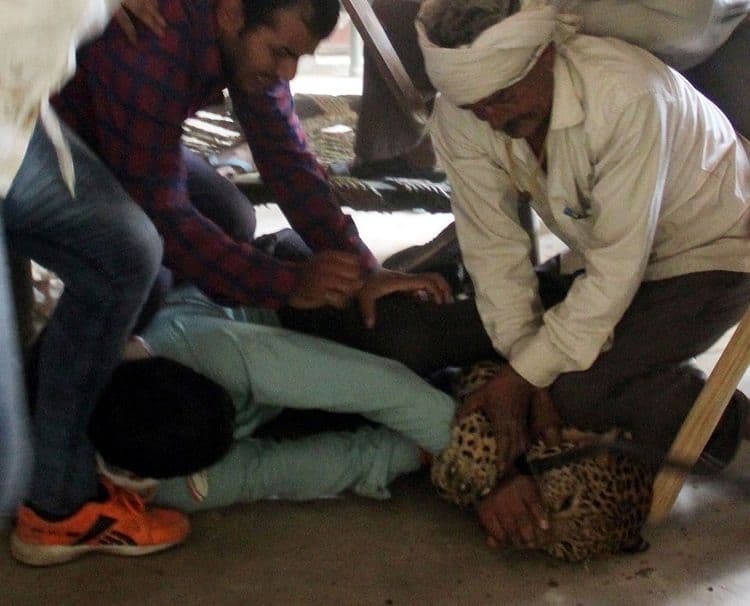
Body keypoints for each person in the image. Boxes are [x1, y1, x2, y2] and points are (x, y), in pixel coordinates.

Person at [417, 1, 750, 550]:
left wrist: (526, 376)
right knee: (552, 376)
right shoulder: (461, 116)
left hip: (712, 256)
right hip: (611, 259)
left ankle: (731, 428)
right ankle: (640, 385)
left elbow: (617, 270)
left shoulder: (626, 94)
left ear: (547, 54)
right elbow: (493, 251)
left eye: (503, 98)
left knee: (577, 392)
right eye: (476, 107)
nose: (492, 118)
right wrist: (526, 365)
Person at [52, 0, 496, 377]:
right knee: (143, 266)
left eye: (298, 57)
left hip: (125, 129)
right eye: (281, 52)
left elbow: (288, 161)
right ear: (232, 13)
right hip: (53, 142)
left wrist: (363, 267)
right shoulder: (154, 43)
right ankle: (57, 394)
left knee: (232, 217)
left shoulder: (242, 37)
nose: (288, 72)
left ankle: (188, 319)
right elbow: (165, 215)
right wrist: (289, 284)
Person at [1, 0, 191, 567]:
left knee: (129, 251)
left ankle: (56, 489)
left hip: (14, 110)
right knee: (8, 469)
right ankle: (54, 499)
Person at [84, 284, 457, 511]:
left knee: (409, 343)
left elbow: (367, 380)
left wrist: (460, 444)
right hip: (270, 405)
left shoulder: (209, 350)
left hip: (276, 303)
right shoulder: (168, 486)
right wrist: (413, 453)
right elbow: (280, 471)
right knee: (406, 409)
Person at [351, 0, 749, 177]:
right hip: (547, 21)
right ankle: (396, 157)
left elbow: (687, 25)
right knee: (395, 19)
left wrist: (544, 21)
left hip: (711, 37)